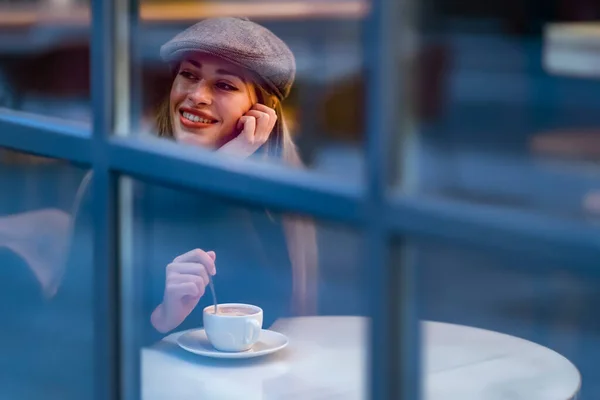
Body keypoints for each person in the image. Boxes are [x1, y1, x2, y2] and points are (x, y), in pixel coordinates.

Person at [146, 17, 318, 337]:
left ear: (260, 114)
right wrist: (163, 316)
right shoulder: (126, 178)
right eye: (188, 74)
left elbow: (270, 305)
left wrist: (227, 164)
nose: (197, 95)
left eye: (224, 85)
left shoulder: (269, 194)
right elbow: (81, 326)